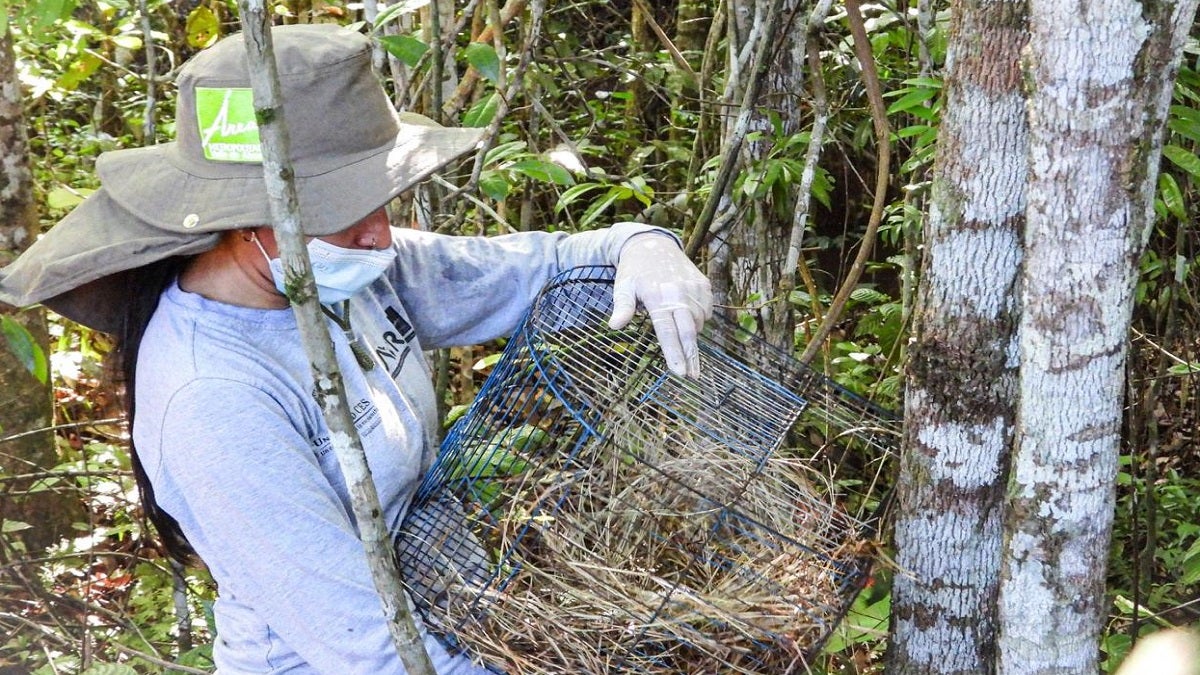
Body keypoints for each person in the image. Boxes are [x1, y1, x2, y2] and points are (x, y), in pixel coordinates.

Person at [0, 24, 711, 675]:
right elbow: (364, 645)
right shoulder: (211, 397)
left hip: (461, 620)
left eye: (382, 197)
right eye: (344, 211)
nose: (379, 233)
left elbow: (521, 272)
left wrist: (636, 248)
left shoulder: (341, 271)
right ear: (246, 219)